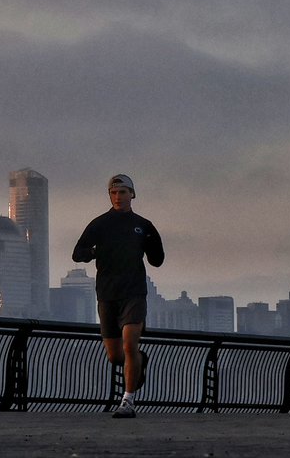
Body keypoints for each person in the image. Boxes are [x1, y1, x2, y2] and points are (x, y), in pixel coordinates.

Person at [72, 173, 164, 419]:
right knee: (115, 356)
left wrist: (153, 243)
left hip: (134, 292)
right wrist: (92, 252)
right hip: (107, 294)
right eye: (113, 193)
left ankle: (128, 401)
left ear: (132, 194)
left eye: (123, 192)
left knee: (129, 343)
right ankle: (139, 361)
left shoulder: (143, 225)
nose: (118, 197)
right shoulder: (99, 224)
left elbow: (157, 260)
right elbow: (77, 253)